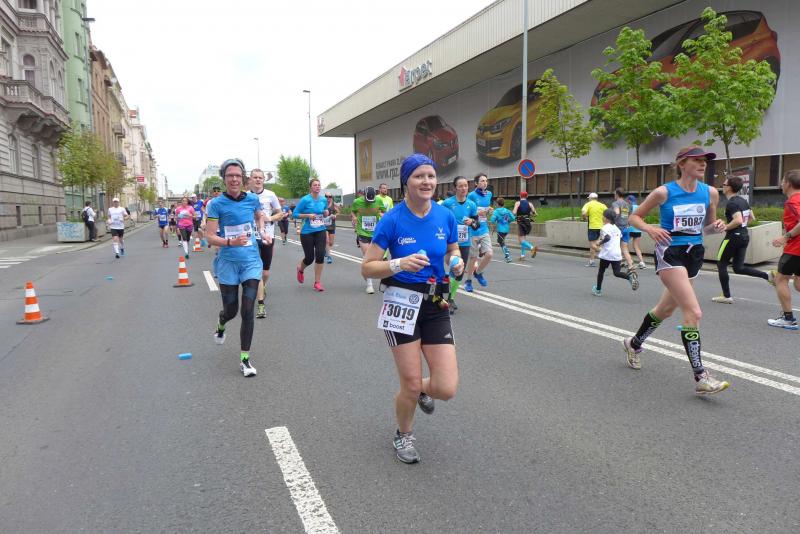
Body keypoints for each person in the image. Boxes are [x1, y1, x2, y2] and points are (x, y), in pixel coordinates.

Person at [361, 153, 464, 464]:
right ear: (406, 182)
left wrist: (456, 261)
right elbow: (367, 267)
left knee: (446, 388)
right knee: (409, 382)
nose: (427, 181)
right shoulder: (392, 219)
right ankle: (403, 435)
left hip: (435, 303)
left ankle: (419, 389)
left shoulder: (445, 215)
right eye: (419, 176)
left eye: (431, 176)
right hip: (401, 302)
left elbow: (453, 249)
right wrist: (399, 263)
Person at [622, 145, 730, 395]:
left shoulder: (710, 192)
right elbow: (634, 218)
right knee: (694, 312)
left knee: (665, 310)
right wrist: (650, 228)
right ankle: (701, 377)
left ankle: (633, 343)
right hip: (670, 252)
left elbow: (707, 228)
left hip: (694, 253)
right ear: (682, 164)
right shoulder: (664, 192)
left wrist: (718, 226)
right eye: (697, 160)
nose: (703, 164)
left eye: (705, 161)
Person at [205, 158, 269, 377]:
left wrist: (262, 230)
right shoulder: (216, 204)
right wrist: (231, 242)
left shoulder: (252, 199)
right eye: (230, 175)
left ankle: (245, 360)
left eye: (238, 176)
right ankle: (221, 323)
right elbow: (210, 236)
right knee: (231, 310)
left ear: (243, 178)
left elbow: (259, 215)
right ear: (224, 179)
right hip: (228, 263)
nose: (234, 179)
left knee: (248, 310)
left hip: (251, 261)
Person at [711, 175, 772, 304]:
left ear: (729, 188)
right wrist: (741, 227)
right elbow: (751, 218)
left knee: (721, 263)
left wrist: (726, 227)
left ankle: (726, 296)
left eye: (724, 185)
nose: (722, 186)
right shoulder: (743, 201)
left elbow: (738, 220)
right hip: (744, 236)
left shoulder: (732, 203)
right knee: (738, 268)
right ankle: (767, 276)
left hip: (732, 237)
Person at [767, 170, 800, 330]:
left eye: (782, 181)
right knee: (798, 283)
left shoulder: (793, 202)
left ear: (788, 183)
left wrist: (785, 237)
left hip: (796, 248)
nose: (781, 184)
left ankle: (788, 319)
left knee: (780, 279)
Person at [249, 168, 283, 318]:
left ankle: (263, 286)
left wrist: (269, 218)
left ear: (263, 180)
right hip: (251, 236)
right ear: (250, 179)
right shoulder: (246, 196)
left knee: (265, 271)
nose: (258, 180)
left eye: (260, 178)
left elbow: (280, 213)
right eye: (255, 177)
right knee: (256, 269)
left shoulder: (270, 195)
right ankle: (261, 303)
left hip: (268, 235)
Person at [441, 176, 478, 312]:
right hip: (450, 242)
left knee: (460, 271)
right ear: (455, 188)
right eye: (460, 186)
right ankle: (446, 299)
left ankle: (450, 298)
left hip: (465, 242)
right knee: (453, 267)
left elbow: (476, 225)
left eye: (466, 186)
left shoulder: (471, 205)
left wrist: (472, 222)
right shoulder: (447, 203)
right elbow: (439, 220)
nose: (463, 188)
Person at [591, 208, 639, 296]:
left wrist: (599, 243)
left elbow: (607, 237)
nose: (602, 217)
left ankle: (598, 290)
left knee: (601, 271)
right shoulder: (616, 228)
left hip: (607, 254)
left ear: (606, 218)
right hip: (616, 254)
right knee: (617, 273)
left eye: (603, 216)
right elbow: (616, 238)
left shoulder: (604, 228)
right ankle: (629, 277)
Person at [294, 178, 330, 291]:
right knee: (309, 258)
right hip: (307, 232)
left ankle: (317, 282)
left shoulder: (323, 199)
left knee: (320, 255)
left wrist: (326, 212)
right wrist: (308, 215)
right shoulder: (305, 200)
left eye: (319, 185)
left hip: (320, 230)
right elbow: (295, 214)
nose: (317, 186)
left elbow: (325, 212)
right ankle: (300, 269)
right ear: (310, 187)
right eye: (315, 185)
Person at [350, 185, 386, 294]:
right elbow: (353, 211)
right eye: (368, 200)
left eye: (372, 201)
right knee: (367, 257)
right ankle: (369, 285)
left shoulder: (379, 200)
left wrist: (382, 214)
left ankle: (383, 279)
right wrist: (354, 217)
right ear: (364, 196)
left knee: (378, 259)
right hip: (362, 231)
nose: (370, 202)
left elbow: (384, 211)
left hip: (375, 232)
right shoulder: (357, 202)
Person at [465, 173, 494, 291]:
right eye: (482, 181)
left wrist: (489, 211)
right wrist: (477, 213)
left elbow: (487, 209)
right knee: (473, 258)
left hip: (484, 228)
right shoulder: (471, 195)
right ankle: (468, 281)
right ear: (476, 183)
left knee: (489, 254)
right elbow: (466, 211)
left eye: (486, 181)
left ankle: (478, 272)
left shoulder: (489, 194)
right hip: (473, 229)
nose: (485, 183)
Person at [611, 188, 636, 271]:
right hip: (626, 228)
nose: (614, 195)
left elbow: (617, 212)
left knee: (615, 246)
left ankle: (617, 263)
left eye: (614, 193)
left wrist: (612, 221)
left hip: (618, 228)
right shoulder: (628, 204)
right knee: (625, 248)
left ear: (617, 194)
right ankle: (630, 265)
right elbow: (630, 216)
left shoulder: (615, 203)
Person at [581, 192, 606, 267]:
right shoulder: (602, 205)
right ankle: (591, 261)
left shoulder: (588, 204)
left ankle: (606, 253)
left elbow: (583, 212)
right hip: (602, 227)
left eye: (589, 199)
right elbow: (608, 213)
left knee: (592, 244)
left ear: (591, 198)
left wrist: (584, 218)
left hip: (592, 227)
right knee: (596, 243)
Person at [512, 191, 538, 260]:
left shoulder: (518, 203)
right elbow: (535, 214)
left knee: (521, 241)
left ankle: (532, 248)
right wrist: (529, 214)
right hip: (528, 223)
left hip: (521, 223)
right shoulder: (530, 204)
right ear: (527, 196)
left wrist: (514, 214)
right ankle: (522, 255)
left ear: (520, 196)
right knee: (523, 239)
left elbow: (514, 212)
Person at [491, 197, 514, 263]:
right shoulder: (507, 211)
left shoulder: (496, 211)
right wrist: (508, 221)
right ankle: (505, 249)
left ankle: (507, 256)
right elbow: (513, 218)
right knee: (500, 241)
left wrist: (496, 220)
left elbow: (492, 220)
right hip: (506, 229)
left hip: (500, 229)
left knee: (501, 242)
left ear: (497, 204)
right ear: (503, 203)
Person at [626, 194, 646, 268]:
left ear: (629, 201)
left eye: (627, 201)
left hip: (630, 228)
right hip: (638, 229)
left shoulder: (629, 207)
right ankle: (642, 262)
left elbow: (628, 218)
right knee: (636, 246)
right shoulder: (640, 207)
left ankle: (628, 261)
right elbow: (643, 218)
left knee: (624, 245)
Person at [324, 193, 340, 264]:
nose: (328, 198)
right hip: (324, 225)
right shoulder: (323, 204)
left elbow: (338, 212)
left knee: (331, 243)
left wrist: (335, 215)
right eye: (326, 196)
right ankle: (329, 256)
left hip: (332, 225)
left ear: (331, 197)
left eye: (330, 196)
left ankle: (326, 250)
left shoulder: (334, 205)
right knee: (327, 241)